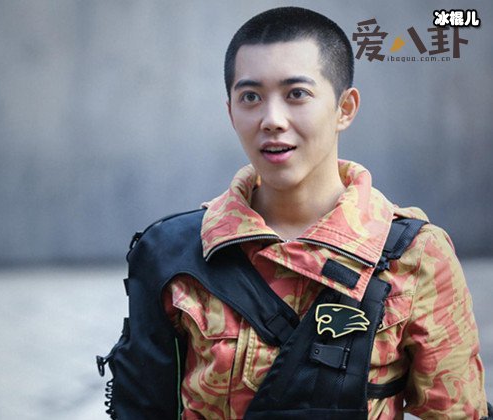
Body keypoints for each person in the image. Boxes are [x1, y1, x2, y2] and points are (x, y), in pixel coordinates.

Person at [98, 6, 488, 419]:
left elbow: (456, 412)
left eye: (296, 94)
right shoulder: (176, 253)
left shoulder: (415, 257)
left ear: (345, 108)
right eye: (250, 97)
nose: (272, 120)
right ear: (230, 112)